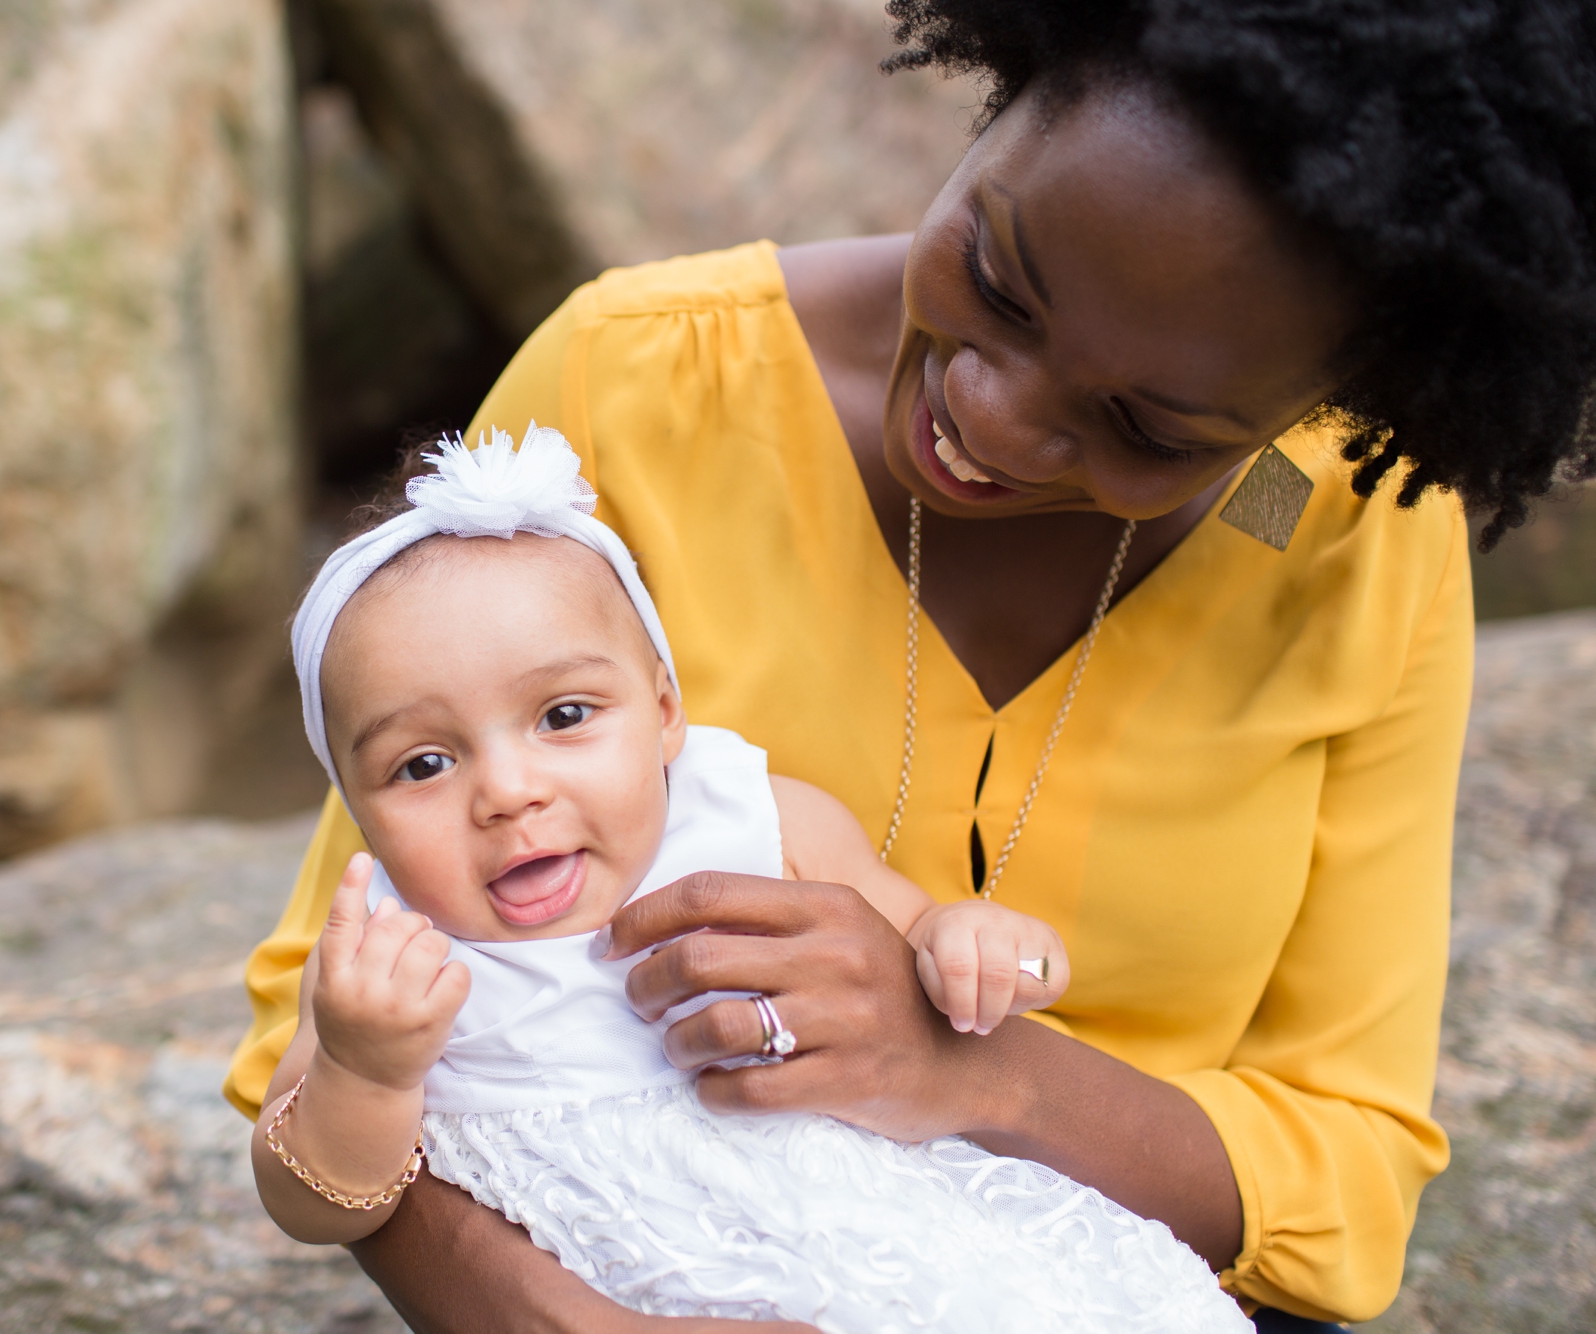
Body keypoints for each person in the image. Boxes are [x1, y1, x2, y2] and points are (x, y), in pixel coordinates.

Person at [227, 3, 1596, 1329]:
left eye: (1149, 424)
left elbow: (1350, 1174)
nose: (989, 417)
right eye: (999, 277)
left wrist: (974, 1072)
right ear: (1010, 83)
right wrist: (549, 1320)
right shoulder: (629, 388)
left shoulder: (1362, 536)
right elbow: (334, 996)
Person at [251, 427, 1242, 1330]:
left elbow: (927, 949)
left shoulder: (761, 822)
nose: (508, 791)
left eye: (563, 715)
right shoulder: (387, 962)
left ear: (665, 707)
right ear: (357, 803)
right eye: (422, 764)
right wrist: (365, 1068)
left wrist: (976, 942)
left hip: (880, 1246)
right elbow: (312, 1198)